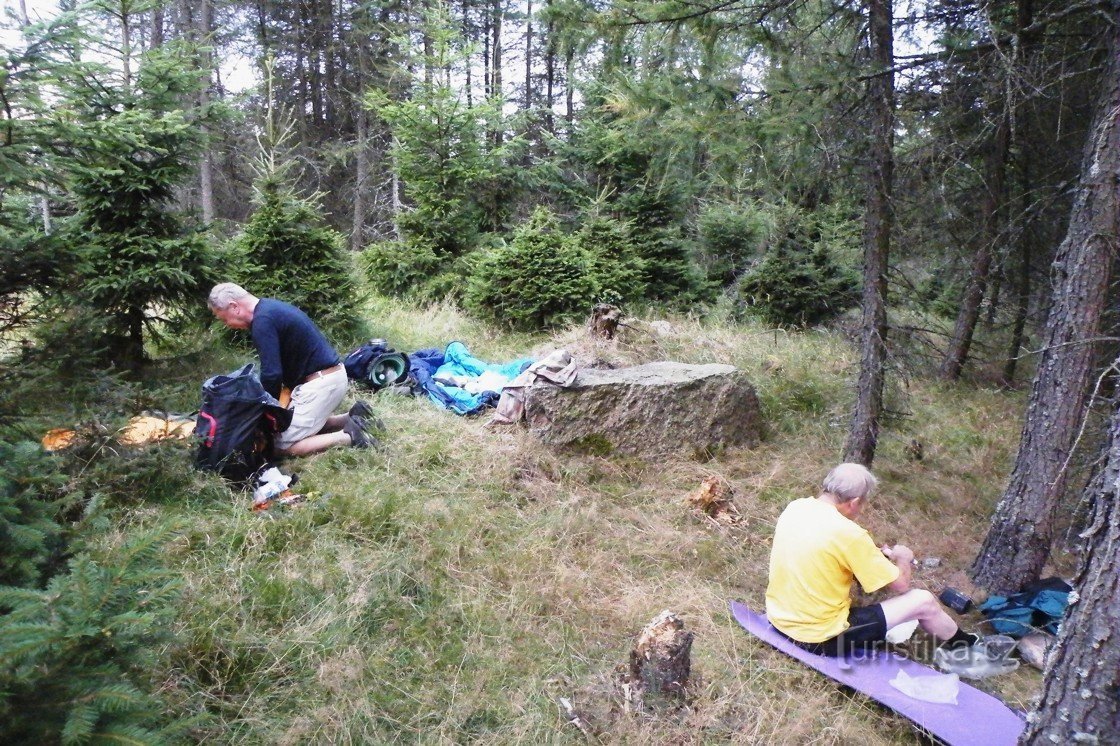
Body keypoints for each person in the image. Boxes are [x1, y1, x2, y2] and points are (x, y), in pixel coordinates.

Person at [765, 463, 978, 656]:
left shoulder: (796, 507)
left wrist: (872, 554)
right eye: (863, 504)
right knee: (923, 600)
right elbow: (901, 585)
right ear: (855, 502)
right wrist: (903, 558)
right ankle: (966, 646)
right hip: (818, 638)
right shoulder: (850, 534)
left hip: (779, 618)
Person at [208, 283, 376, 455]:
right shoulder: (269, 309)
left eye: (224, 318)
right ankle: (351, 417)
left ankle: (350, 435)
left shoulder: (262, 322)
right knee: (290, 423)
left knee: (280, 444)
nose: (227, 324)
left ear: (234, 307)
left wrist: (266, 411)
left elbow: (272, 374)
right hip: (331, 378)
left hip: (321, 385)